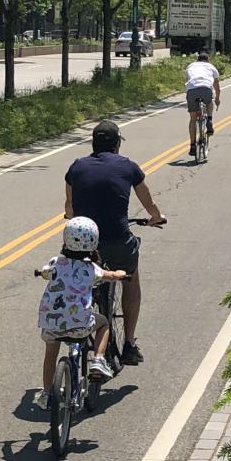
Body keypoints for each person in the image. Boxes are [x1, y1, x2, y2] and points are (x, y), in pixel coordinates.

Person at [64, 120, 165, 365]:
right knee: (130, 278)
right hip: (117, 238)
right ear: (117, 145)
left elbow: (69, 207)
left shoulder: (77, 167)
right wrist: (155, 217)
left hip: (84, 243)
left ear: (93, 144)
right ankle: (129, 343)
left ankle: (73, 323)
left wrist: (72, 216)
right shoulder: (128, 167)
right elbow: (147, 201)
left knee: (76, 275)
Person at [33, 217, 128, 409]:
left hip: (51, 324)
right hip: (79, 324)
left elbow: (45, 272)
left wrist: (44, 274)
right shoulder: (90, 268)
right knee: (103, 324)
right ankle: (99, 360)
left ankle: (46, 393)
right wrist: (119, 274)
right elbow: (109, 276)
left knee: (50, 354)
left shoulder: (55, 262)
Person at [184, 50, 221, 156]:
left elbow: (186, 79)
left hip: (192, 90)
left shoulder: (191, 66)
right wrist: (217, 99)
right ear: (207, 60)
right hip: (206, 89)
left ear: (197, 59)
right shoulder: (211, 67)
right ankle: (209, 119)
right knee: (209, 102)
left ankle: (192, 146)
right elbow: (217, 87)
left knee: (193, 119)